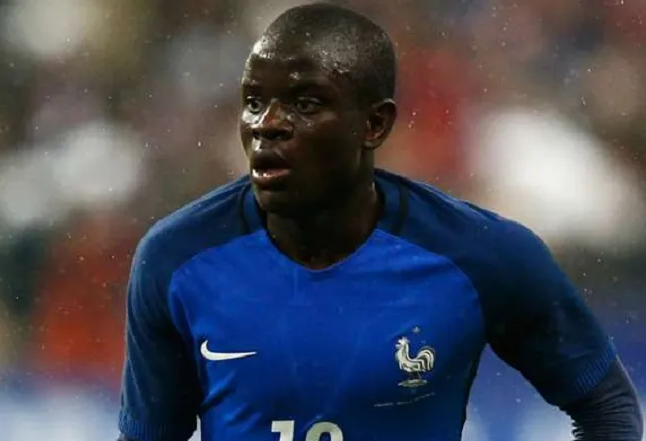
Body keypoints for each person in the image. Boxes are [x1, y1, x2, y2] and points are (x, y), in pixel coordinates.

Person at [117, 3, 643, 441]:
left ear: (375, 124)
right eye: (253, 102)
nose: (267, 125)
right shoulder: (176, 259)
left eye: (305, 104)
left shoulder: (480, 255)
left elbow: (608, 409)